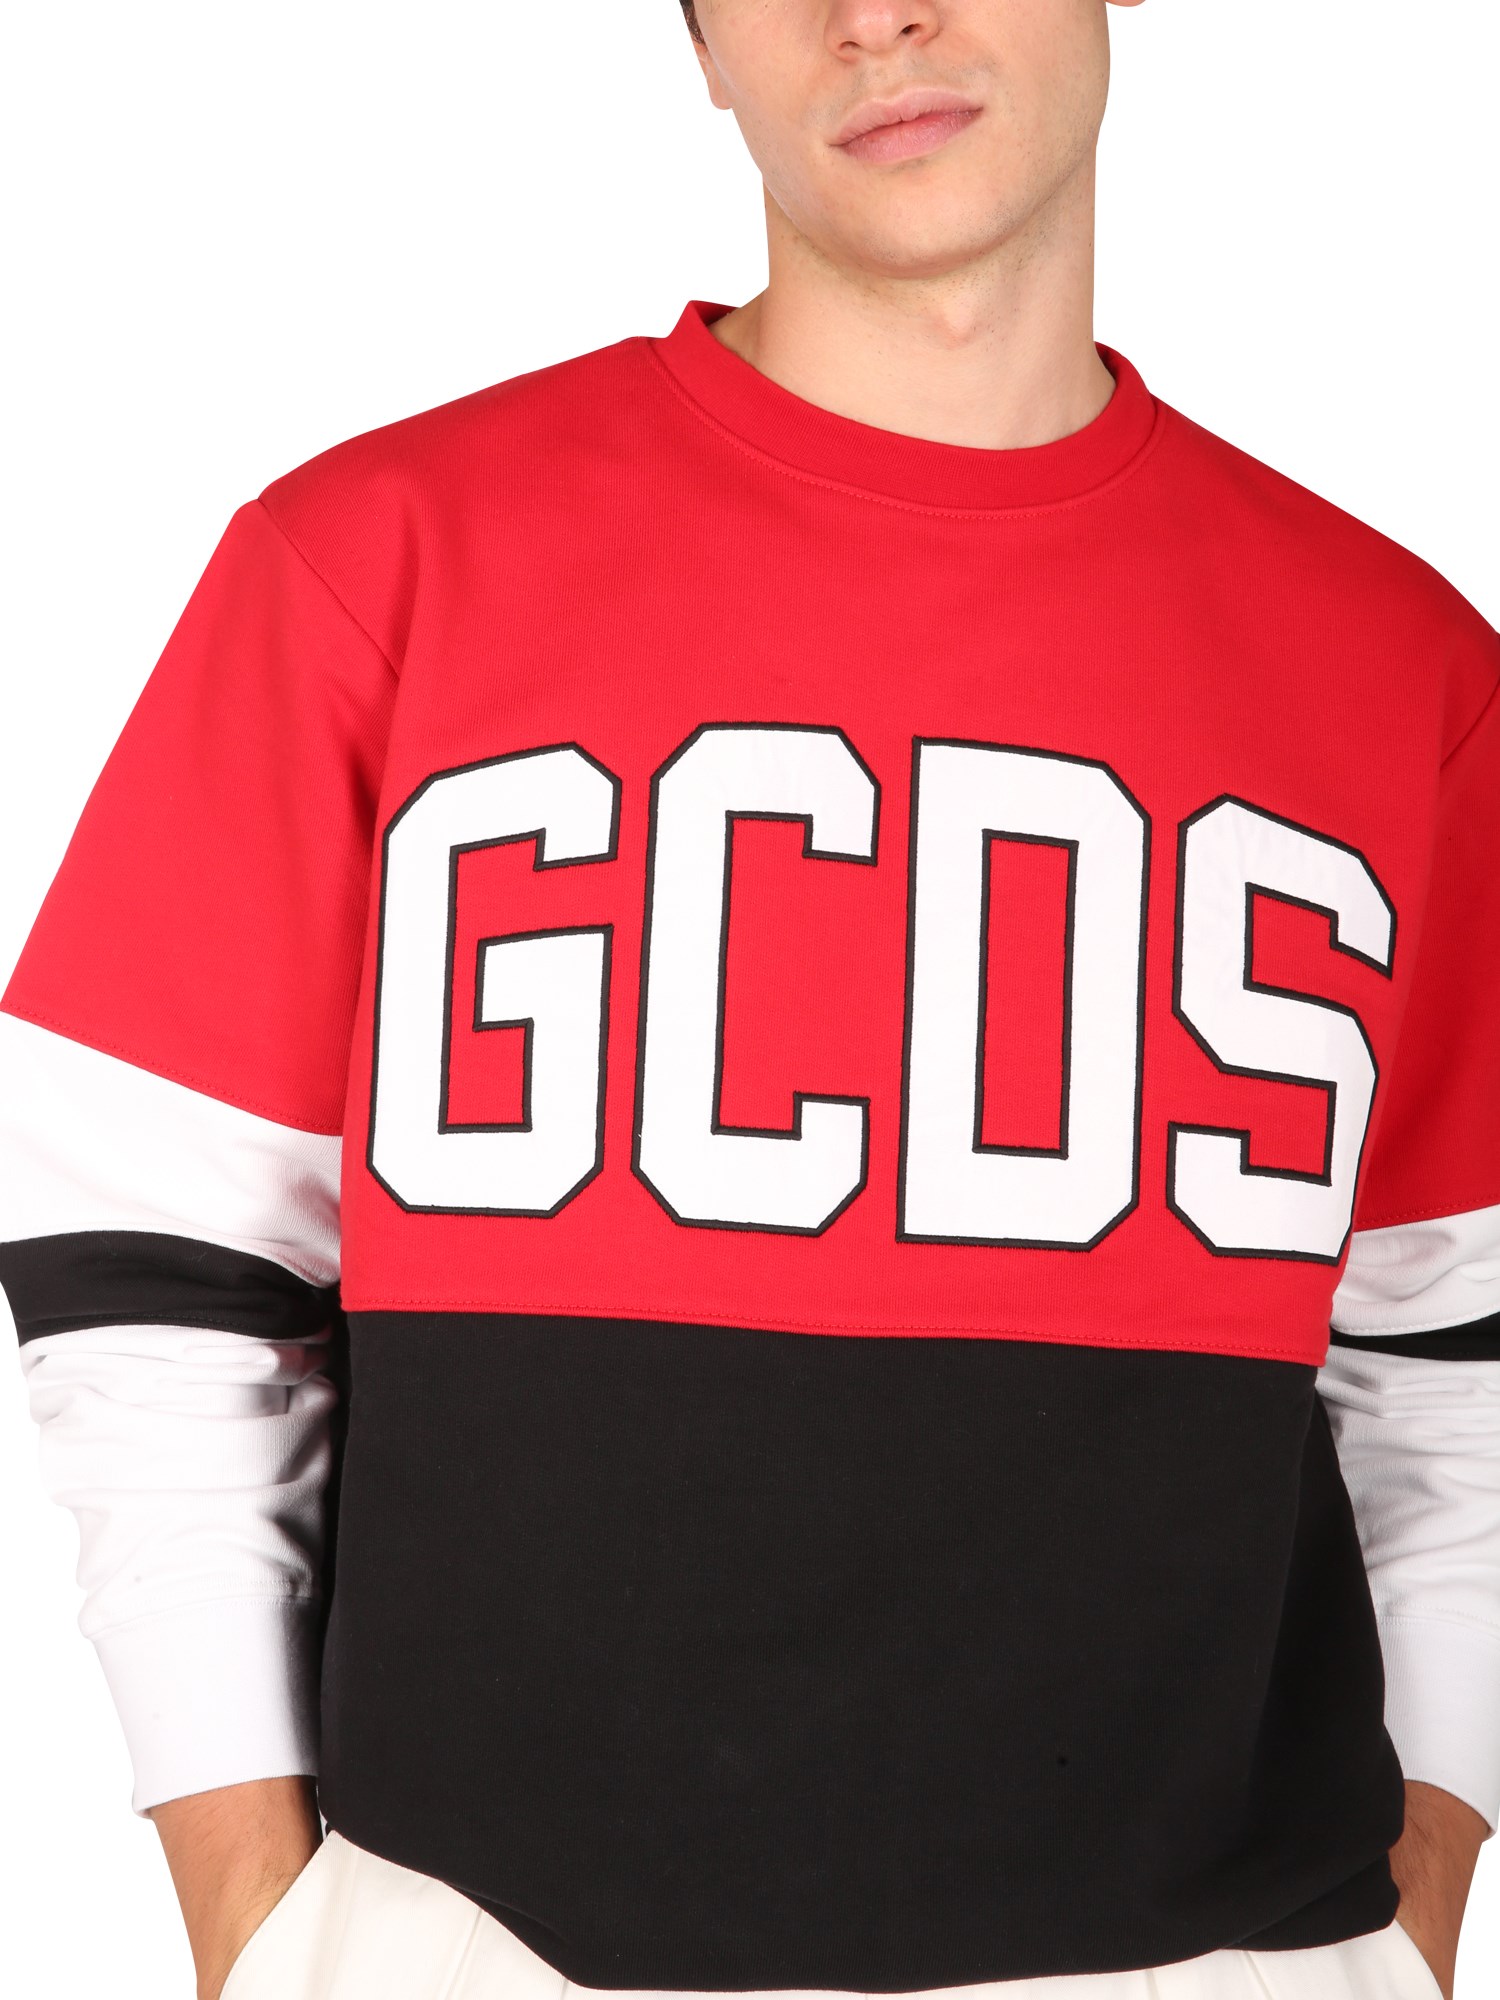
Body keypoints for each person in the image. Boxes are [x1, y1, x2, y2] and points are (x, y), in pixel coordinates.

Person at [2, 1, 1496, 1996]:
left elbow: (1459, 1353)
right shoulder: (373, 565)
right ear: (699, 42)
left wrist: (1420, 1892)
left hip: (1224, 1955)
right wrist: (263, 1920)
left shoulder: (1403, 670)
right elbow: (149, 1270)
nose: (876, 17)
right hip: (477, 1951)